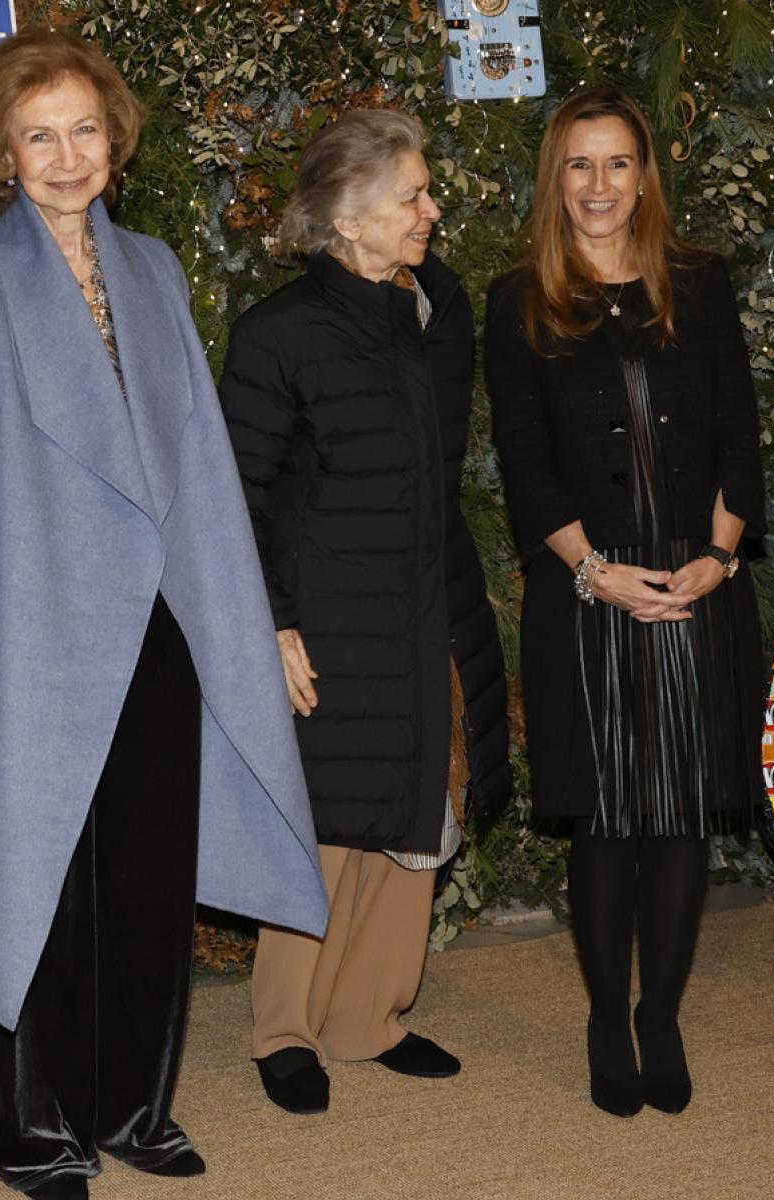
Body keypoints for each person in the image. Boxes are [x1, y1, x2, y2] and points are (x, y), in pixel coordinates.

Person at [0, 29, 327, 1200]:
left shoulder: (155, 271)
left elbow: (198, 461)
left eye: (84, 129)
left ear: (114, 140)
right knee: (44, 880)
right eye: (38, 134)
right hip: (32, 639)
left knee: (147, 877)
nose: (66, 154)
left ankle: (135, 1103)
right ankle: (35, 1126)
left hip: (166, 626)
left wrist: (245, 621)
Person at [219, 109, 513, 1116]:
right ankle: (284, 1029)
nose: (433, 210)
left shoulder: (440, 309)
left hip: (425, 597)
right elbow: (239, 495)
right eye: (412, 196)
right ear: (345, 217)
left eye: (426, 192)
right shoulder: (276, 333)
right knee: (326, 828)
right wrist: (271, 618)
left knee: (415, 814)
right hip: (325, 612)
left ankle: (367, 1017)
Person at [484, 87, 766, 1118]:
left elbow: (738, 430)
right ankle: (608, 1016)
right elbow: (524, 461)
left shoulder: (699, 282)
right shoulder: (518, 299)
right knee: (606, 816)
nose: (597, 185)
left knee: (681, 810)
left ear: (644, 174)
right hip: (587, 588)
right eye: (577, 165)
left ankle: (662, 1013)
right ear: (553, 179)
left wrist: (720, 559)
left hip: (697, 584)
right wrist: (591, 570)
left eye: (616, 164)